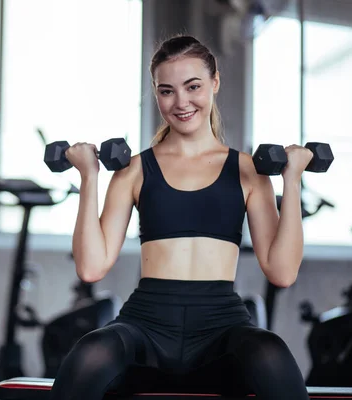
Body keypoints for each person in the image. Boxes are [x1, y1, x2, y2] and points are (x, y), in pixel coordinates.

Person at [49, 35, 312, 400]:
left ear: (215, 82)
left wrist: (293, 180)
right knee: (90, 352)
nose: (181, 102)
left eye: (193, 87)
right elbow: (91, 268)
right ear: (156, 94)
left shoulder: (249, 171)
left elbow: (282, 272)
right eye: (167, 91)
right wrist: (90, 177)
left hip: (221, 327)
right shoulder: (134, 170)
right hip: (146, 323)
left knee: (270, 353)